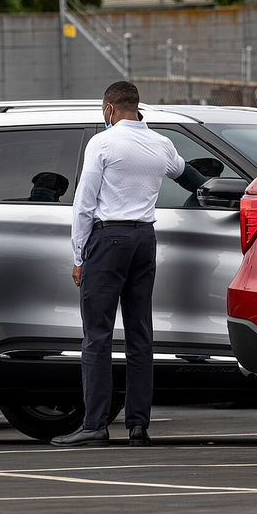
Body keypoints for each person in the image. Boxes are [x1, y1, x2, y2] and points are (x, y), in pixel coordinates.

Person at [53, 81, 185, 447]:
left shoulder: (103, 142)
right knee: (140, 334)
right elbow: (180, 170)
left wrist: (78, 255)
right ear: (137, 107)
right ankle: (138, 425)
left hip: (109, 239)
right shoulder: (161, 143)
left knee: (97, 334)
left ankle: (95, 424)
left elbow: (84, 202)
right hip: (145, 239)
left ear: (108, 107)